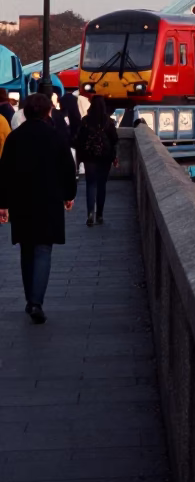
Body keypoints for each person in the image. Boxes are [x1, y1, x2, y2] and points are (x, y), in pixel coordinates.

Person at [0, 93, 77, 323]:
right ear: (47, 112)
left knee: (26, 250)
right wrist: (68, 195)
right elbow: (67, 168)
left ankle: (29, 299)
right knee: (43, 249)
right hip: (49, 200)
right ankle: (36, 302)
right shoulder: (55, 137)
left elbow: (4, 172)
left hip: (21, 201)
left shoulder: (15, 138)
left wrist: (3, 203)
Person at [74, 97, 119, 226]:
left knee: (90, 184)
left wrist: (80, 157)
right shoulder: (108, 122)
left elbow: (79, 140)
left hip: (89, 157)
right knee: (101, 185)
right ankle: (99, 215)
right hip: (105, 157)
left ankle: (89, 214)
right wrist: (114, 156)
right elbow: (114, 140)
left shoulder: (86, 121)